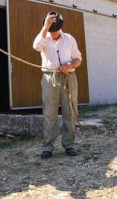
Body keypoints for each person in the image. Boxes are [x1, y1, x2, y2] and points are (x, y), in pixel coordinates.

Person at [33, 11, 82, 159]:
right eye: (51, 30)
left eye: (55, 31)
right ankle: (48, 146)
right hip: (50, 78)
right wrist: (46, 26)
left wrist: (70, 64)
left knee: (70, 112)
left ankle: (70, 145)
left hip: (69, 77)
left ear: (60, 28)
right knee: (49, 113)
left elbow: (78, 59)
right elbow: (36, 46)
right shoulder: (43, 37)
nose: (53, 34)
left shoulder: (69, 39)